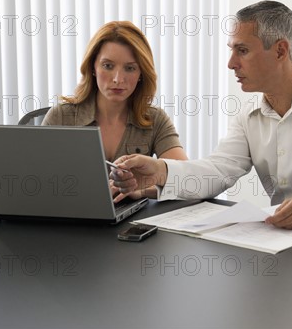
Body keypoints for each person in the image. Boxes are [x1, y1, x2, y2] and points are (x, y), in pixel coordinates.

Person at [109, 1, 292, 254]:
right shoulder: (249, 114)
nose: (231, 63)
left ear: (280, 50)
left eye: (242, 50)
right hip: (284, 250)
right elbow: (218, 170)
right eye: (231, 50)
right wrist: (160, 171)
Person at [43, 21, 188, 202]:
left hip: (129, 223)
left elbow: (186, 179)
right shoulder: (60, 117)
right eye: (108, 66)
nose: (118, 79)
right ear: (93, 67)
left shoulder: (154, 119)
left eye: (130, 68)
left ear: (141, 73)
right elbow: (39, 183)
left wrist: (141, 190)